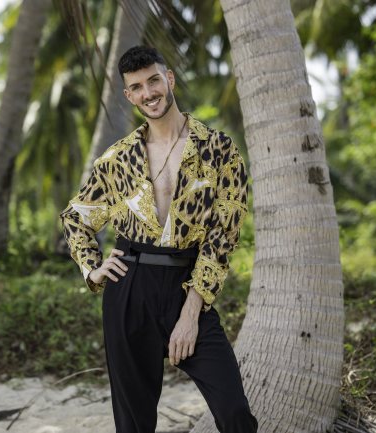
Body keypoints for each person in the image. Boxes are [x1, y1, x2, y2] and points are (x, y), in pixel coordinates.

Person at [59, 46, 258, 433]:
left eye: (153, 81)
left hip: (188, 285)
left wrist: (191, 313)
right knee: (133, 424)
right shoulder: (116, 160)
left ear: (169, 79)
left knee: (234, 412)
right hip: (129, 287)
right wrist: (93, 268)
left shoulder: (219, 150)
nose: (148, 93)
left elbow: (222, 238)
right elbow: (75, 217)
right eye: (137, 87)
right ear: (128, 95)